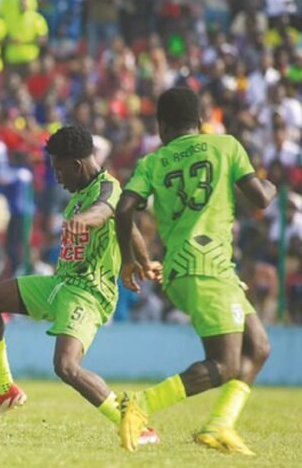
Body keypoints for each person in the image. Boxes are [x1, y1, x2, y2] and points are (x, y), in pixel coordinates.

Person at [0, 126, 161, 443]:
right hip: (61, 284)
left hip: (88, 292)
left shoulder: (108, 188)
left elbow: (105, 212)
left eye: (59, 169)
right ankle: (5, 390)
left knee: (66, 366)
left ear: (77, 164)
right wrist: (138, 260)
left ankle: (136, 425)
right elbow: (127, 224)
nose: (57, 177)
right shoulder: (79, 194)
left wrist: (84, 221)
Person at [115, 87, 276, 454]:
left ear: (161, 126)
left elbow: (124, 210)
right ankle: (141, 404)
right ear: (201, 122)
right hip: (208, 266)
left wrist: (129, 259)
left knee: (259, 346)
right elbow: (261, 198)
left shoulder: (153, 162)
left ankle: (219, 425)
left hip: (187, 267)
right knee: (225, 364)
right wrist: (271, 183)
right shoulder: (226, 146)